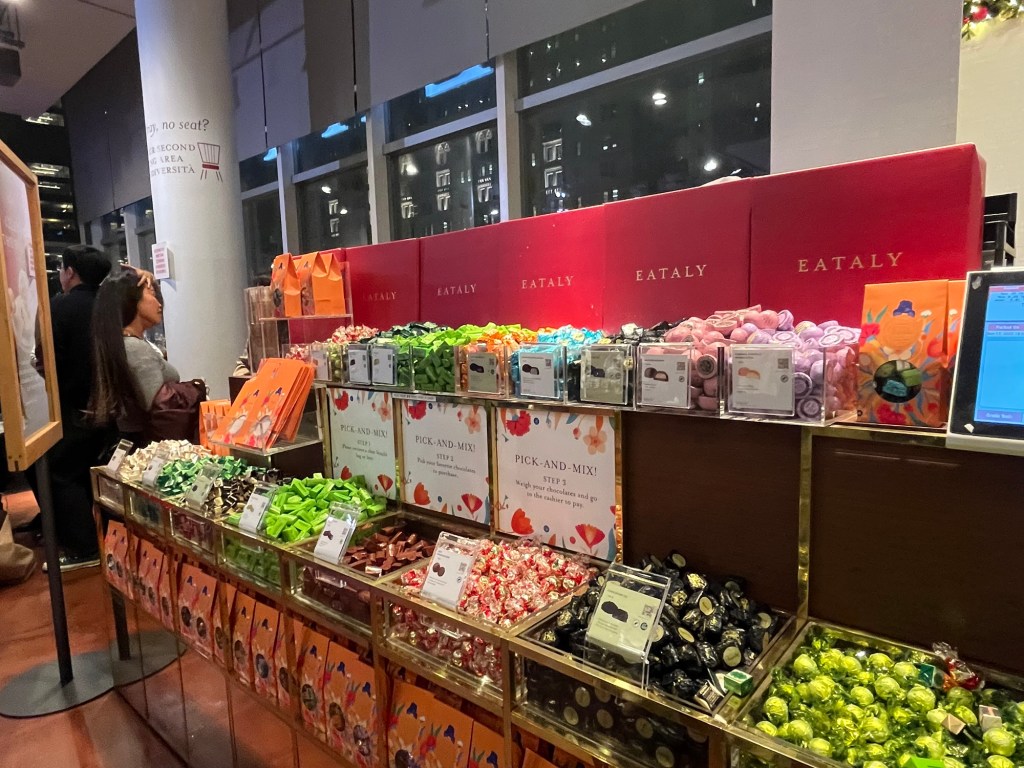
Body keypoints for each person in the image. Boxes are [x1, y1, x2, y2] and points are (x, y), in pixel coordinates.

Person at [36, 245, 114, 571]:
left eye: (61, 269)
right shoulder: (109, 306)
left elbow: (48, 360)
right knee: (94, 469)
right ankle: (107, 538)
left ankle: (84, 547)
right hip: (110, 409)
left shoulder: (60, 306)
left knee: (60, 472)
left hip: (73, 407)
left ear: (70, 272)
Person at [90, 267, 181, 444]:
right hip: (151, 444)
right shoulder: (135, 348)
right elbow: (160, 410)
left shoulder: (125, 342)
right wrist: (196, 389)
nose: (159, 304)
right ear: (132, 301)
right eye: (152, 294)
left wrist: (151, 281)